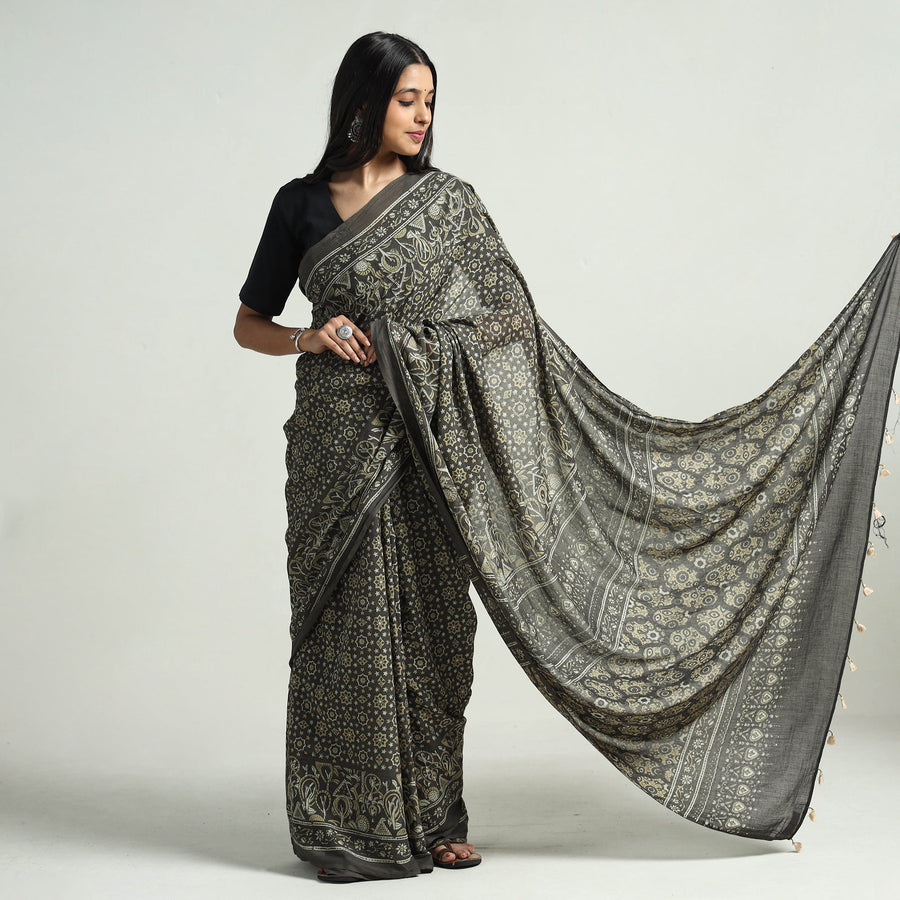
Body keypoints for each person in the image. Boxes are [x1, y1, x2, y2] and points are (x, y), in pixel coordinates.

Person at [235, 32, 900, 883]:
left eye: (431, 101)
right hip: (338, 450)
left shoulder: (451, 204)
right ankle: (345, 821)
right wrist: (310, 337)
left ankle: (435, 816)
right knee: (342, 635)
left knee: (435, 627)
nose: (423, 116)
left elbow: (509, 326)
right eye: (407, 100)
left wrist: (411, 347)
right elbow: (249, 323)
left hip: (434, 447)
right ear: (362, 104)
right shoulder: (298, 205)